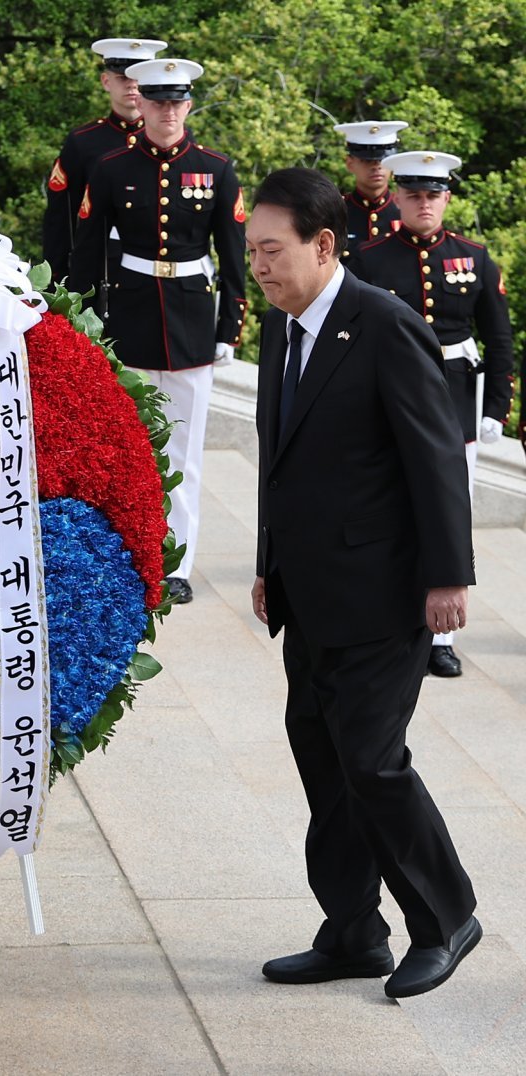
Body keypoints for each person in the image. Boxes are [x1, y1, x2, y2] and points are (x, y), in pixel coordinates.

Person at [248, 167, 481, 999]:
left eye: (273, 251)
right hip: (309, 591)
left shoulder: (384, 325)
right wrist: (268, 564)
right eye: (251, 253)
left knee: (372, 762)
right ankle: (352, 931)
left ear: (322, 245)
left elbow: (436, 459)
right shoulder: (281, 328)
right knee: (323, 758)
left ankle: (445, 917)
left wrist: (449, 576)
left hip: (385, 592)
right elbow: (284, 462)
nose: (261, 267)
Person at [69, 58, 247, 604]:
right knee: (131, 448)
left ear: (188, 106)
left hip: (192, 320)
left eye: (177, 102)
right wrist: (85, 324)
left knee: (186, 452)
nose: (168, 111)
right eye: (157, 101)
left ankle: (179, 563)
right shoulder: (110, 167)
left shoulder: (216, 169)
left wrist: (230, 324)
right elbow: (87, 254)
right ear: (138, 102)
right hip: (130, 317)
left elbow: (234, 254)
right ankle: (133, 553)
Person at [352, 150, 514, 678]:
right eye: (414, 194)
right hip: (387, 401)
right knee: (390, 507)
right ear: (397, 197)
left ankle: (440, 636)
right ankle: (391, 617)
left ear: (447, 198)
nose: (424, 203)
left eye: (434, 194)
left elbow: (498, 339)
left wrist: (495, 408)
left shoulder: (476, 257)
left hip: (455, 402)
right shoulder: (370, 259)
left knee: (451, 512)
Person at [42, 37, 167, 285]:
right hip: (100, 267)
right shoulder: (84, 141)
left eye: (138, 79)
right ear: (106, 81)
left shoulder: (169, 138)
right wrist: (55, 279)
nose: (132, 86)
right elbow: (61, 217)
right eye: (122, 78)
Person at [332, 120, 408, 266]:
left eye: (383, 160)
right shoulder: (335, 213)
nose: (376, 166)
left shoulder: (406, 211)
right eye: (367, 160)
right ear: (350, 164)